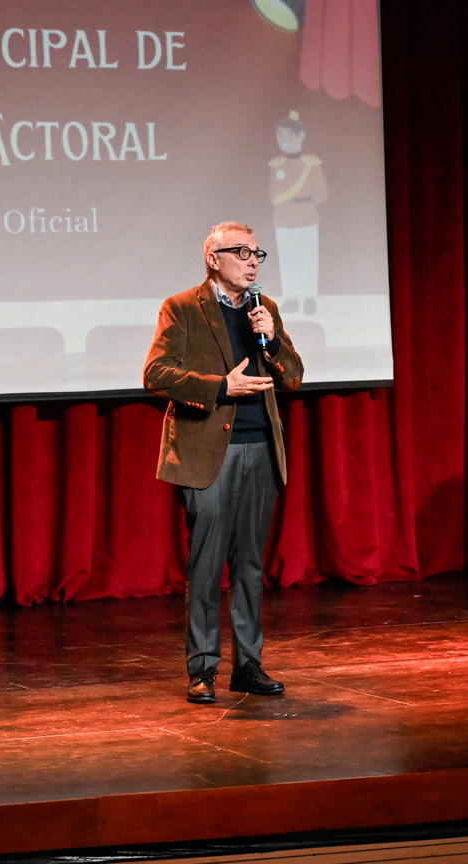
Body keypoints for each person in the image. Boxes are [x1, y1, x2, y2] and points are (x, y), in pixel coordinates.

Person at [144, 221, 304, 703]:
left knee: (251, 565)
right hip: (208, 452)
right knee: (208, 564)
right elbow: (156, 372)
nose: (253, 261)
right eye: (242, 252)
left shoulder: (264, 309)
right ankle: (203, 668)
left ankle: (248, 665)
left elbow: (293, 377)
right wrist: (220, 388)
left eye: (258, 254)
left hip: (261, 450)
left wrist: (272, 340)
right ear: (214, 258)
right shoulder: (182, 307)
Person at [268, 111, 328, 316]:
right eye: (280, 135)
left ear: (301, 136)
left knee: (308, 258)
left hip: (307, 219)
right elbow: (274, 195)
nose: (284, 140)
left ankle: (309, 297)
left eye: (289, 135)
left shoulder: (311, 164)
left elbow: (322, 194)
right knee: (288, 259)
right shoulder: (277, 165)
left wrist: (303, 200)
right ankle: (293, 298)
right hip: (284, 220)